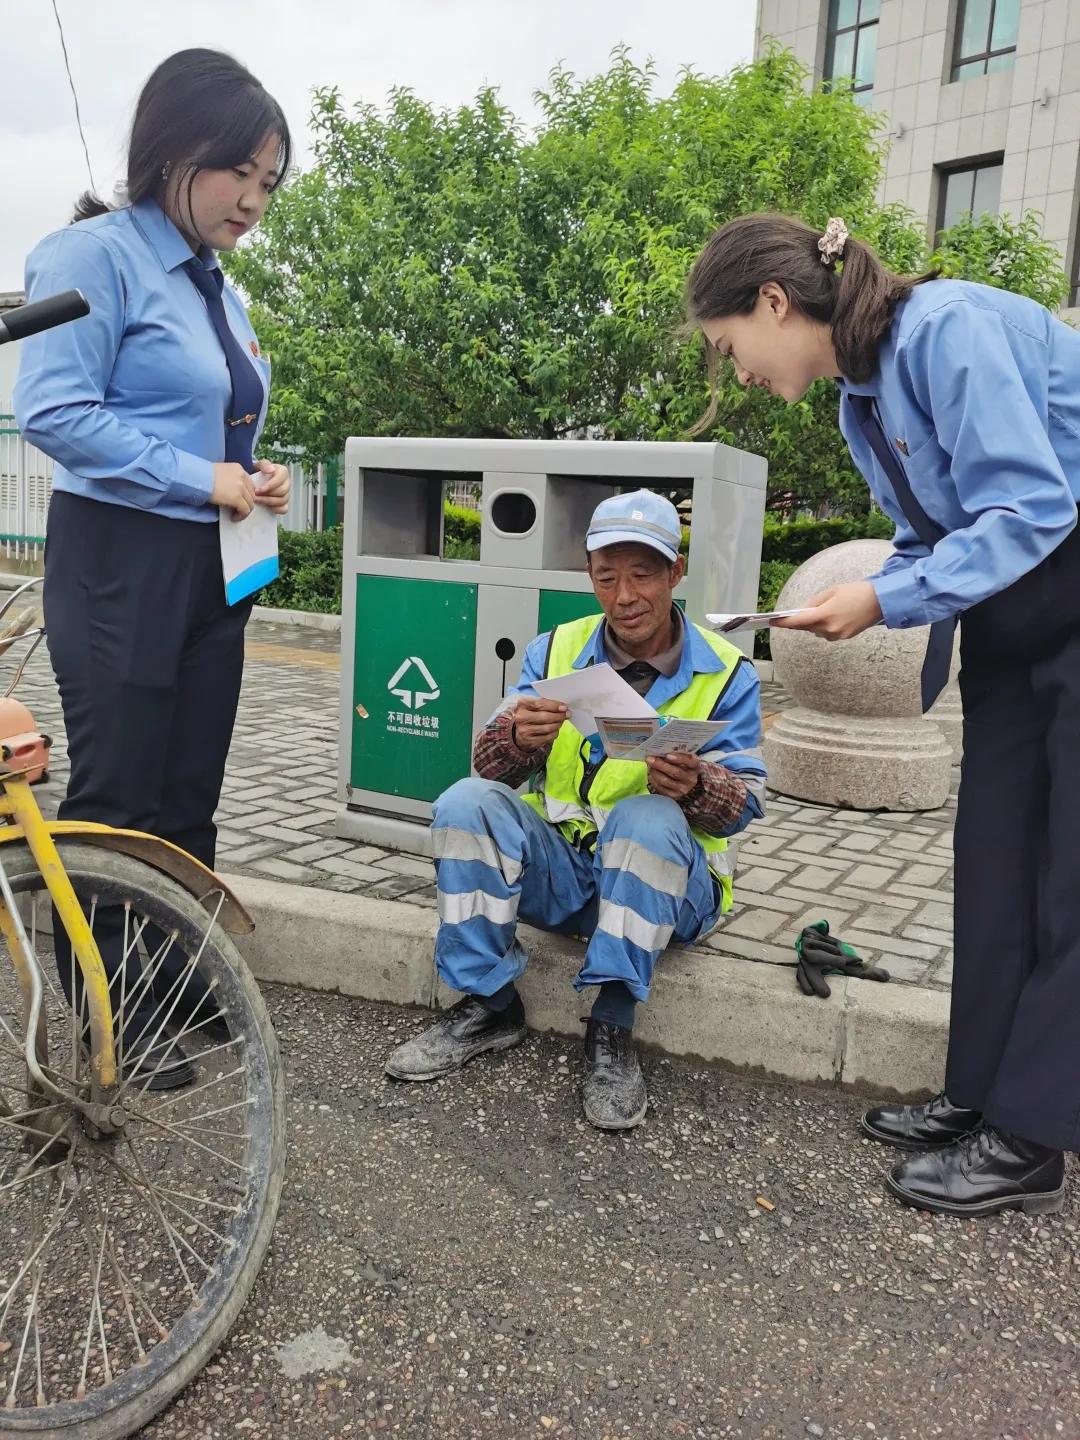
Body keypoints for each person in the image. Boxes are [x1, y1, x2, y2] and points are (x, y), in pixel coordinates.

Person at [685, 211, 1080, 1219]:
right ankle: (980, 1094)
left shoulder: (946, 329)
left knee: (1068, 876)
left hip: (1064, 574)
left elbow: (1032, 506)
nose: (739, 374)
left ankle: (1033, 1137)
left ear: (774, 302)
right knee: (995, 857)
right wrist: (848, 603)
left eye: (731, 348)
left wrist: (887, 599)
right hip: (1011, 611)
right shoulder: (861, 402)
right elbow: (923, 538)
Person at [14, 49, 292, 1090]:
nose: (256, 202)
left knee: (189, 787)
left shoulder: (217, 283)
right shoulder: (95, 255)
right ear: (180, 151)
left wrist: (246, 478)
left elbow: (209, 417)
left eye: (270, 183)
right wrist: (202, 477)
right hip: (120, 555)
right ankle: (105, 1003)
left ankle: (171, 981)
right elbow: (54, 413)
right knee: (122, 788)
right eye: (244, 175)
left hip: (212, 559)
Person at [385, 490, 767, 1129]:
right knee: (465, 803)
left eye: (643, 575)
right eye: (607, 577)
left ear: (675, 573)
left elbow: (745, 805)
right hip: (568, 880)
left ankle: (611, 1027)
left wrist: (697, 785)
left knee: (648, 816)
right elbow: (489, 764)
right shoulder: (555, 650)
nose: (625, 596)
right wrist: (515, 740)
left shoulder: (727, 673)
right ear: (589, 577)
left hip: (668, 894)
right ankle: (490, 1004)